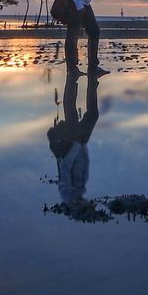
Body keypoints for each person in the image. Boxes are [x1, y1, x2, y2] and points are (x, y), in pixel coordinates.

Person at [47, 64, 100, 206]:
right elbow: (83, 165)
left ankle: (74, 81)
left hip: (73, 144)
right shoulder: (79, 192)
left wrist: (77, 145)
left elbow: (65, 167)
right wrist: (82, 146)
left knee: (73, 112)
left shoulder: (67, 194)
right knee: (92, 115)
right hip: (79, 143)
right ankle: (90, 82)